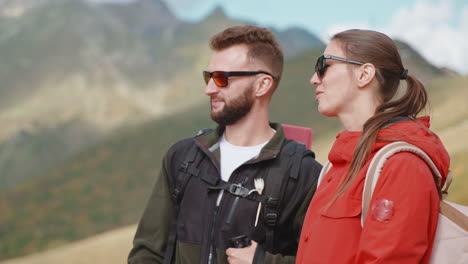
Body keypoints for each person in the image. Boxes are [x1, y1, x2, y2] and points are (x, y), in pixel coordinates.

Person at [128, 25, 322, 264]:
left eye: (221, 78)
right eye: (208, 77)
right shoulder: (183, 157)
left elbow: (323, 258)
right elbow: (147, 252)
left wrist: (264, 262)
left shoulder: (303, 173)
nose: (209, 89)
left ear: (262, 85)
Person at [296, 29, 450, 264]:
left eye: (324, 65)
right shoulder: (334, 166)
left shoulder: (402, 166)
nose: (314, 79)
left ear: (364, 74)